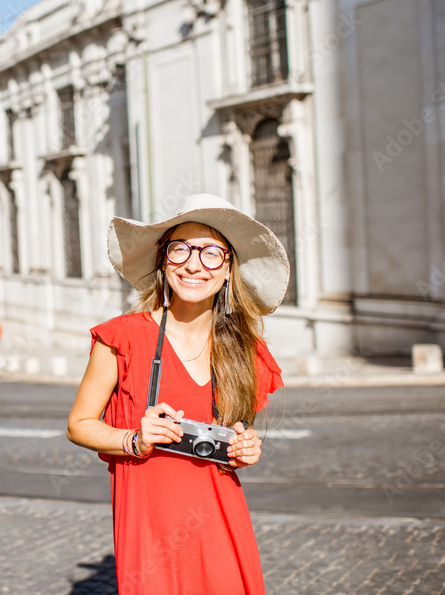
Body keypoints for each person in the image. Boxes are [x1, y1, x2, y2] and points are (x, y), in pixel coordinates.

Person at [66, 193, 290, 594]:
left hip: (221, 524)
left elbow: (235, 435)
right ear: (163, 262)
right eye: (180, 249)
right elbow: (79, 425)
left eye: (211, 253)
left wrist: (245, 448)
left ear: (227, 270)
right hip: (148, 528)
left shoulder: (245, 350)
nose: (192, 264)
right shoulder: (122, 337)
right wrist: (134, 440)